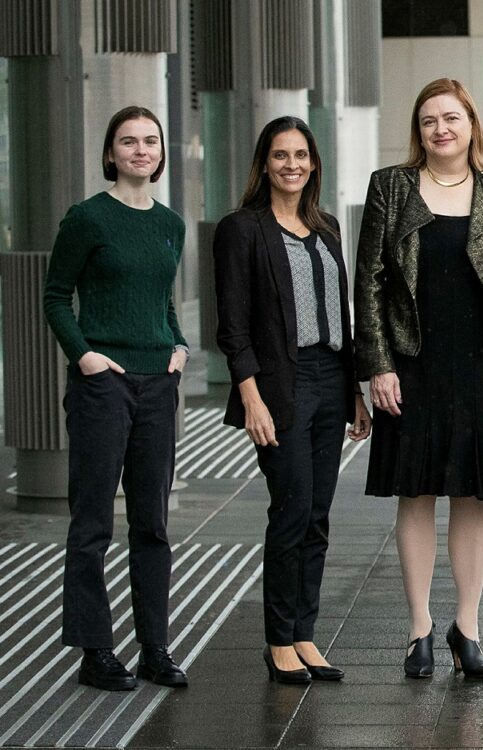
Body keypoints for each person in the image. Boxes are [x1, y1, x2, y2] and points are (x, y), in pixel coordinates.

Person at [355, 78, 483, 681]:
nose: (441, 129)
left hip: (482, 361)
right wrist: (377, 364)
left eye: (452, 118)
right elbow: (372, 281)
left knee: (471, 492)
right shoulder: (391, 187)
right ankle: (419, 630)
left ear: (471, 125)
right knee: (416, 491)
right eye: (430, 119)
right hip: (411, 361)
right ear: (420, 130)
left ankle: (467, 626)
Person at [214, 116, 371, 685]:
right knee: (292, 507)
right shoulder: (242, 229)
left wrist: (354, 390)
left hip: (332, 378)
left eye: (301, 155)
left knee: (319, 514)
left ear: (314, 163)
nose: (292, 165)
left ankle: (305, 632)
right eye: (280, 155)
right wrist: (250, 398)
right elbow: (232, 326)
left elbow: (342, 316)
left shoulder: (326, 227)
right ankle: (278, 639)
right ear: (264, 163)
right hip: (280, 384)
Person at [43, 106, 189, 691]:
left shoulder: (170, 223)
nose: (140, 150)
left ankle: (155, 645)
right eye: (128, 141)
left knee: (152, 522)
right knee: (93, 520)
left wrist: (177, 343)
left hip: (159, 385)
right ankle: (95, 650)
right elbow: (56, 297)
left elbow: (161, 298)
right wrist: (85, 357)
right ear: (110, 153)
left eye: (150, 141)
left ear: (159, 153)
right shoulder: (86, 219)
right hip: (102, 385)